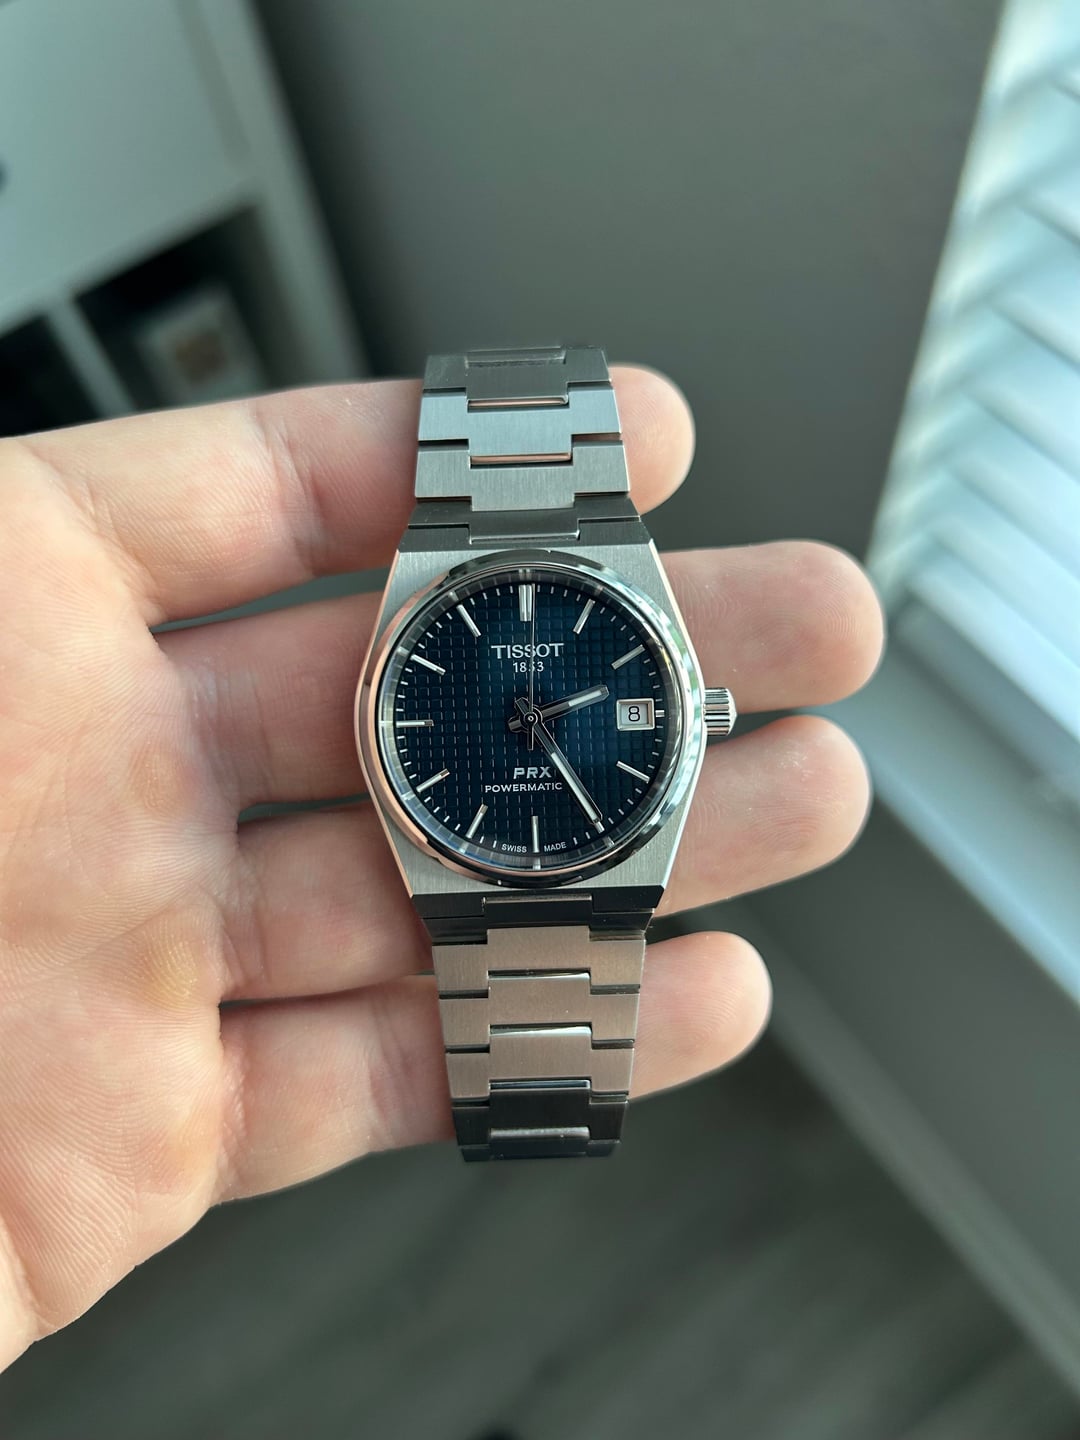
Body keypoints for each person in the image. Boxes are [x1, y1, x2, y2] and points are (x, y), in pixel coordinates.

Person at [0, 367, 883, 1368]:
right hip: (466, 834)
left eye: (547, 713)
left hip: (517, 819)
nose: (532, 721)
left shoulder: (595, 684)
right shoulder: (469, 690)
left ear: (697, 712)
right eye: (529, 715)